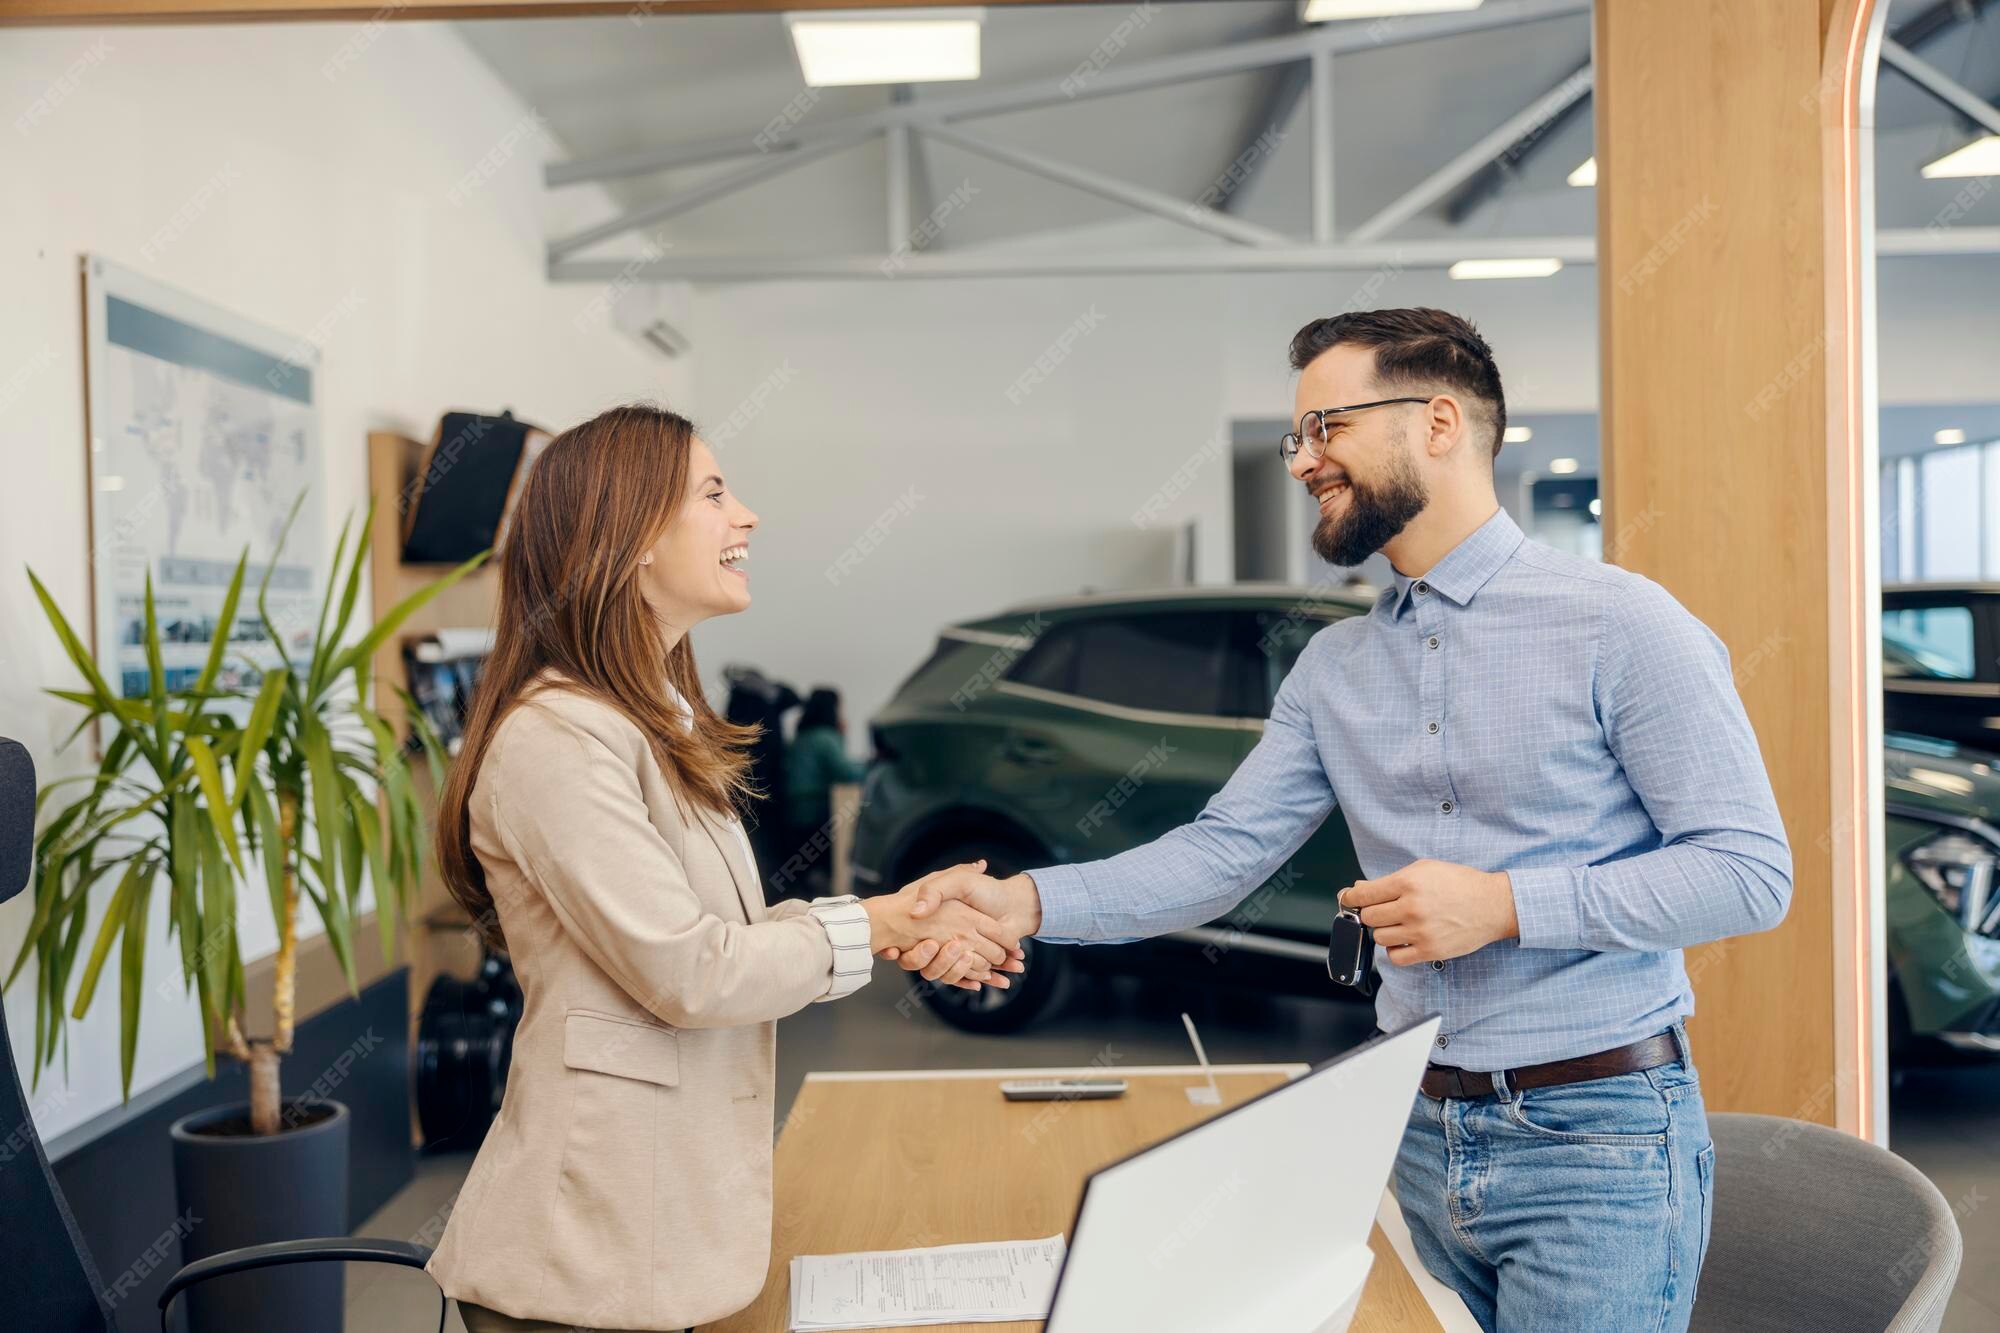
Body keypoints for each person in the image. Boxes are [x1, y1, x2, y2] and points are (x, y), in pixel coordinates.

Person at [890, 309, 1792, 1331]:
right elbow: (1221, 853)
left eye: (1327, 427)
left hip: (1598, 1138)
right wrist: (1018, 902)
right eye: (1295, 437)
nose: (1302, 460)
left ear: (1438, 422)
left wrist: (1502, 904)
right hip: (1405, 1123)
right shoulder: (1335, 667)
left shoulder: (1622, 623)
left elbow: (1746, 872)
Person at [425, 404, 1023, 1333]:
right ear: (625, 540)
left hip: (661, 1243)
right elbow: (692, 970)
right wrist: (890, 924)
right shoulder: (557, 738)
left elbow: (724, 942)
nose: (746, 516)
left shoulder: (645, 722)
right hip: (580, 1266)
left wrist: (888, 917)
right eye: (712, 493)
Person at [782, 687, 866, 889]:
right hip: (817, 811)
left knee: (804, 869)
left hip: (793, 812)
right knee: (825, 868)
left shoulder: (801, 738)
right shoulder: (826, 738)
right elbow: (846, 773)